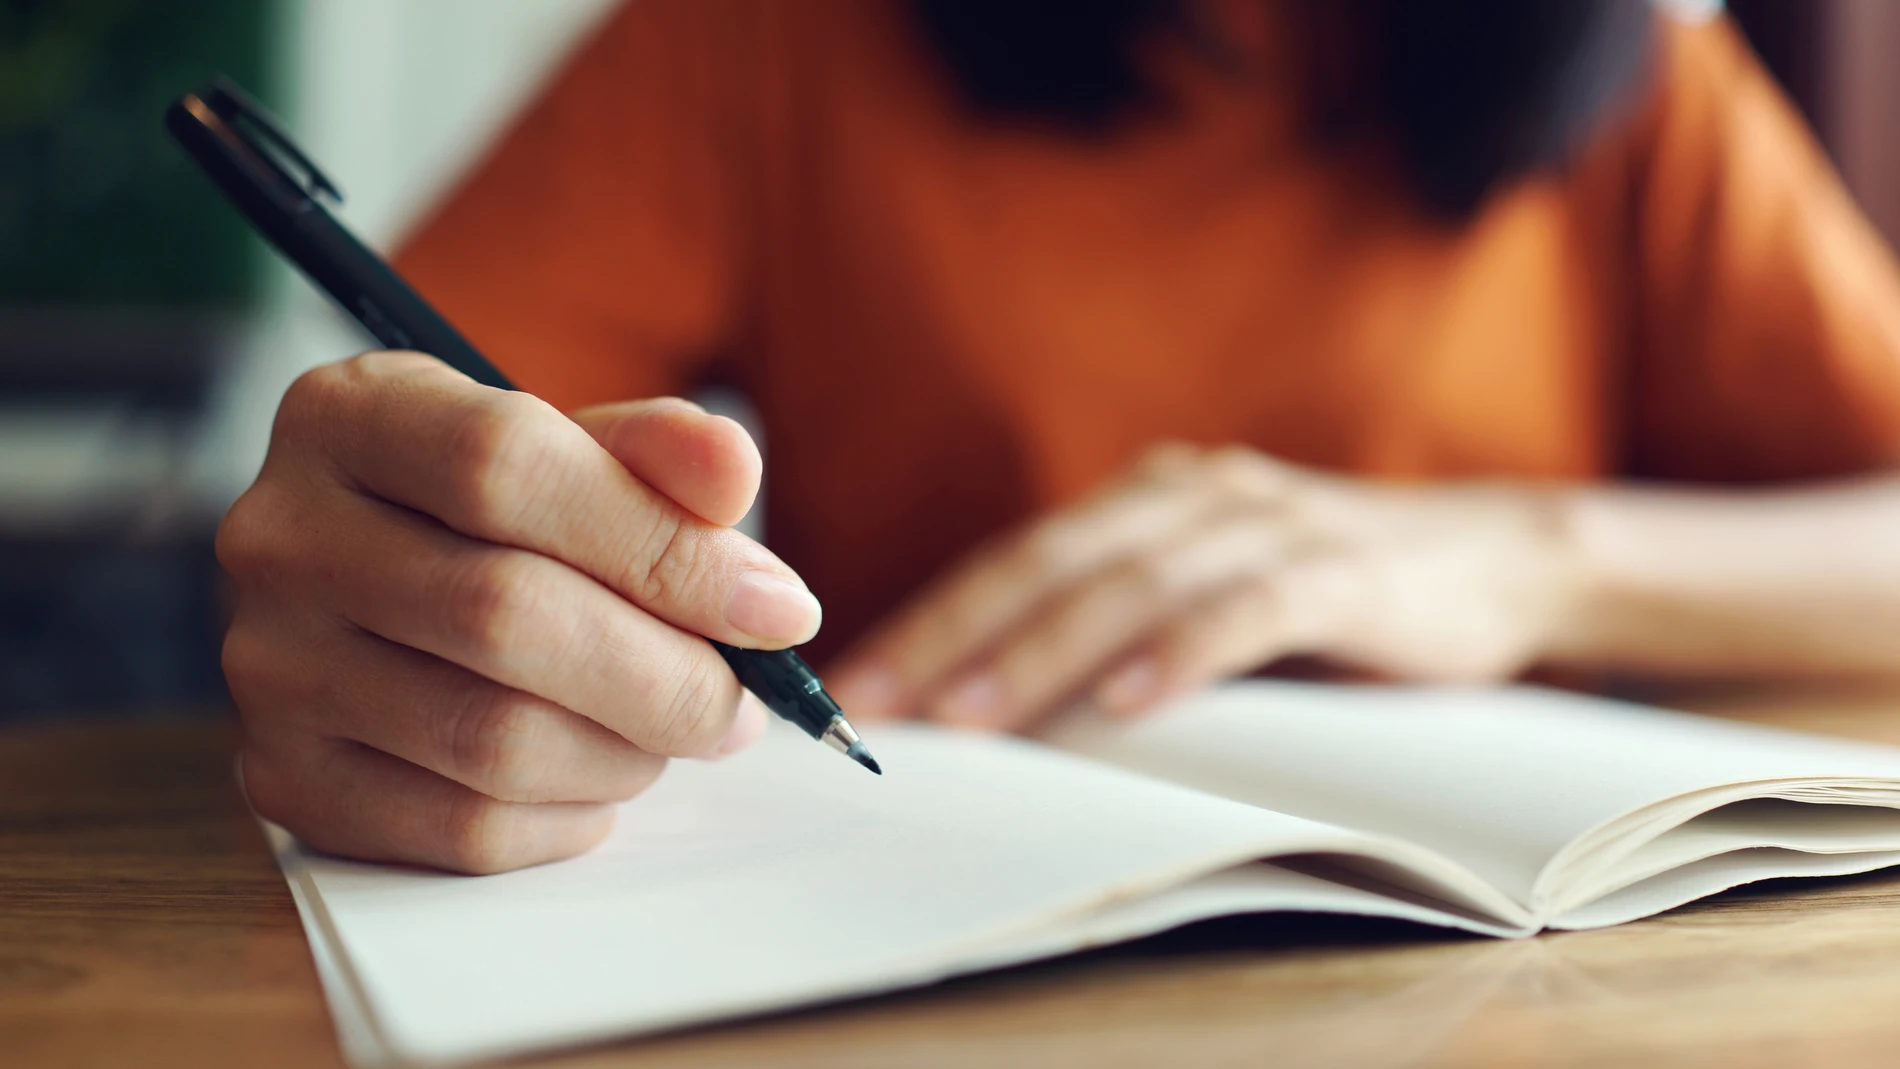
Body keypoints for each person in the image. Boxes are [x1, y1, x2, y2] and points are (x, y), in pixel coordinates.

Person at [218, 0, 1900, 874]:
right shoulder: (759, 38)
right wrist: (414, 583)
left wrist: (1534, 555)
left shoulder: (1645, 87)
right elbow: (442, 437)